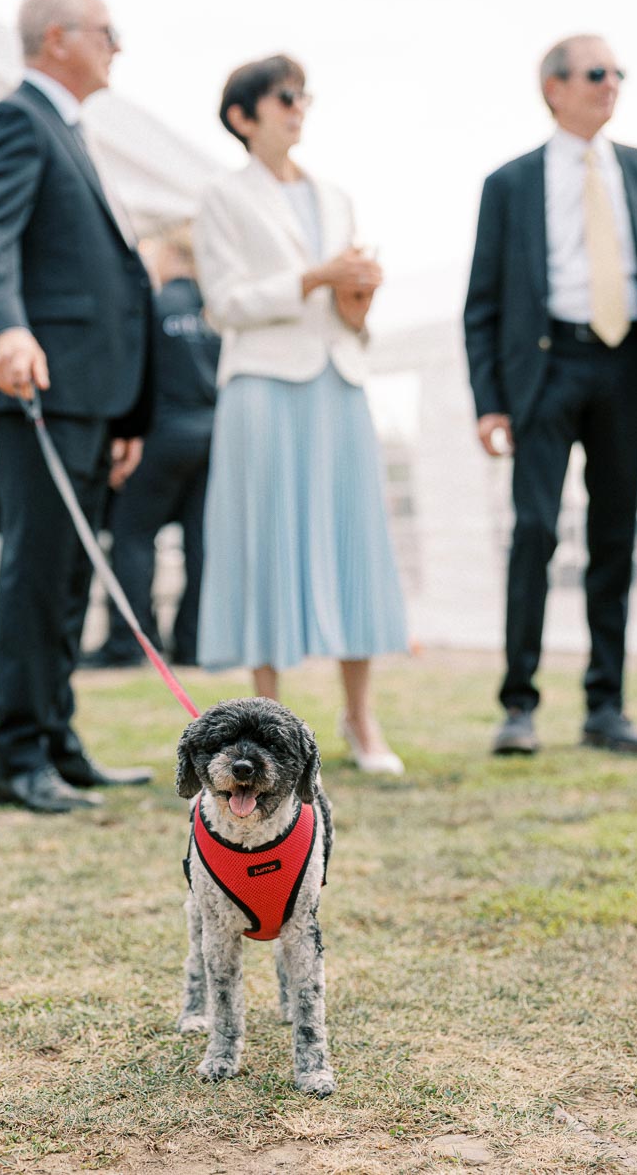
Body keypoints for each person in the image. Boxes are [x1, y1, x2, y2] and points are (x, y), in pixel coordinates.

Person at [464, 34, 637, 757]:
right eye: (597, 73)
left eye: (617, 73)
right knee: (534, 532)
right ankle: (519, 705)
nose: (612, 84)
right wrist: (489, 401)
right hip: (545, 369)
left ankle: (607, 706)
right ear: (554, 89)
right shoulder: (508, 184)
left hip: (628, 369)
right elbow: (482, 304)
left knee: (615, 540)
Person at [0, 0, 155, 813]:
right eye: (108, 30)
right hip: (42, 387)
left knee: (72, 574)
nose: (119, 45)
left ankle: (58, 737)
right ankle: (17, 754)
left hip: (95, 399)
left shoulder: (74, 132)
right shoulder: (16, 120)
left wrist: (129, 411)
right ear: (58, 38)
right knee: (37, 572)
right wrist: (4, 327)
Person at [193, 54, 408, 774]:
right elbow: (225, 304)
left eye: (303, 96)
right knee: (266, 548)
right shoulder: (221, 197)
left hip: (338, 380)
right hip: (263, 386)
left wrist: (357, 297)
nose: (298, 107)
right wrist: (316, 276)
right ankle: (265, 730)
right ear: (243, 117)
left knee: (358, 547)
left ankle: (361, 719)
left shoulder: (337, 196)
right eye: (285, 97)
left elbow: (344, 312)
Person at [81, 224, 221, 668]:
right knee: (200, 543)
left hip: (161, 434)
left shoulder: (154, 306)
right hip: (211, 435)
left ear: (170, 257)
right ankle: (195, 641)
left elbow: (130, 374)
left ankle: (132, 642)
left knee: (133, 535)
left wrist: (122, 434)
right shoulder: (217, 313)